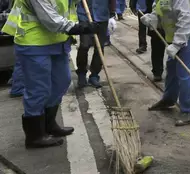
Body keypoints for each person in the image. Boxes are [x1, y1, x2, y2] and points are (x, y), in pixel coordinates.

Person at [2, 0, 98, 148]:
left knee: (62, 82)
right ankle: (35, 135)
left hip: (57, 41)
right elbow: (51, 20)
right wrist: (79, 27)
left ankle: (49, 125)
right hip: (34, 42)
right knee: (38, 89)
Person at [140, 0, 190, 126]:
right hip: (179, 32)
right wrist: (153, 18)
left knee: (185, 71)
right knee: (171, 68)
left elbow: (184, 18)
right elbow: (161, 8)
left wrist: (177, 44)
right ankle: (169, 99)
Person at [76, 0, 116, 88]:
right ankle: (81, 73)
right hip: (84, 16)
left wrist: (112, 13)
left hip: (102, 16)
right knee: (84, 45)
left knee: (99, 47)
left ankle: (94, 75)